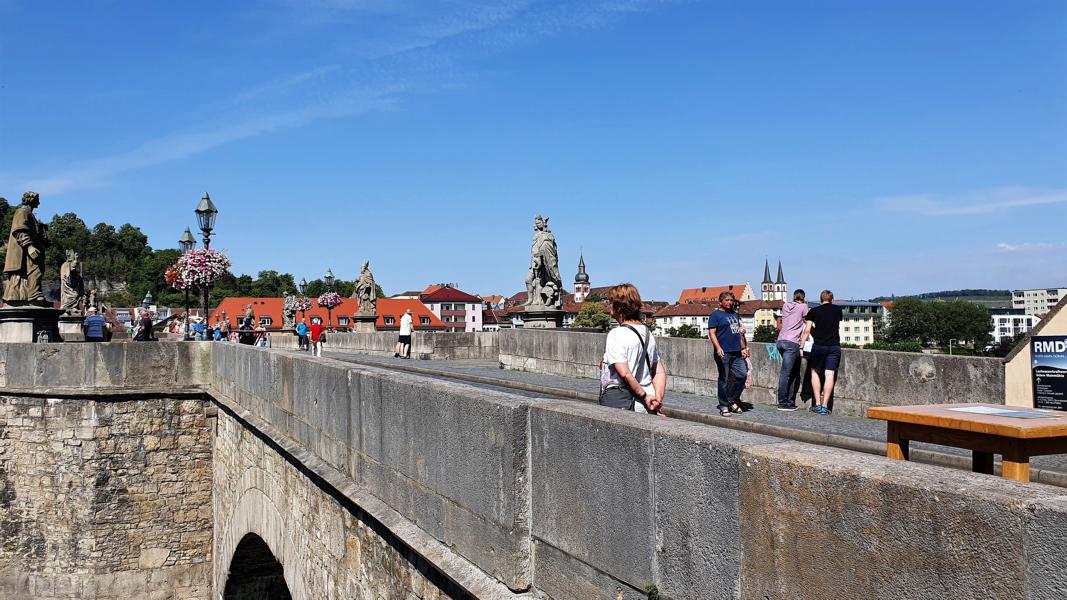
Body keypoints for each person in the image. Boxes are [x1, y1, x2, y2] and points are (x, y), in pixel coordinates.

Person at [598, 283, 665, 414]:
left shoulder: (616, 334)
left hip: (623, 401)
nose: (609, 306)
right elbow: (659, 372)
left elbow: (625, 373)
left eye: (611, 302)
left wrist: (645, 397)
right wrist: (656, 398)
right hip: (645, 403)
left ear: (619, 306)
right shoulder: (647, 333)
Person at [799, 289, 844, 415]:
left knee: (815, 372)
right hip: (834, 346)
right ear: (832, 299)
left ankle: (817, 404)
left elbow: (807, 331)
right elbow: (833, 325)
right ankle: (825, 406)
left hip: (819, 346)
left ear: (820, 299)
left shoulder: (814, 311)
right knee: (830, 375)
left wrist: (801, 346)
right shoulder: (837, 310)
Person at [708, 290, 749, 417]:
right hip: (724, 352)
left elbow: (739, 333)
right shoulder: (715, 315)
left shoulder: (735, 315)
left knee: (742, 375)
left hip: (737, 351)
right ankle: (724, 406)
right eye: (727, 300)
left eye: (731, 300)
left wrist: (744, 347)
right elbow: (712, 333)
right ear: (721, 302)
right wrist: (718, 348)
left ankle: (731, 399)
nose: (730, 302)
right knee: (724, 379)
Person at [774, 289, 809, 411]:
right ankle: (783, 403)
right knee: (787, 373)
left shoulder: (785, 305)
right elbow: (807, 322)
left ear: (794, 297)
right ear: (803, 298)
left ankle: (790, 402)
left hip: (780, 341)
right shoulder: (803, 306)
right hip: (792, 342)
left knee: (793, 373)